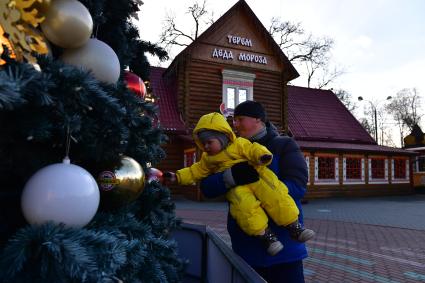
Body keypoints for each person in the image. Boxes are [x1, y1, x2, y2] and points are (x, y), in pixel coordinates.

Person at [165, 112, 314, 256]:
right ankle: (266, 236)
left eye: (240, 119)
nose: (206, 147)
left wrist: (262, 156)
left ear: (257, 119)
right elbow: (196, 174)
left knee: (275, 193)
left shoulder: (252, 144)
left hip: (259, 178)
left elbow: (253, 150)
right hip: (239, 196)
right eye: (203, 143)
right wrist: (177, 176)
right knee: (244, 208)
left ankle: (294, 227)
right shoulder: (208, 159)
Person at [200, 101, 310, 283]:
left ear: (258, 119)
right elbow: (206, 188)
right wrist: (231, 177)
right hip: (245, 247)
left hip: (285, 249)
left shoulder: (283, 145)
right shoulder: (228, 151)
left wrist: (259, 189)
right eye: (234, 120)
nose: (235, 124)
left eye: (240, 119)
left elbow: (298, 187)